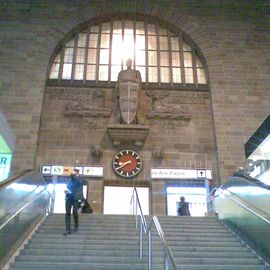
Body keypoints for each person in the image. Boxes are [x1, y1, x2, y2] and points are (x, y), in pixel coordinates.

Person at [116, 58, 142, 124]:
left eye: (130, 62)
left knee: (135, 105)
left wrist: (132, 80)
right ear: (126, 63)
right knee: (121, 106)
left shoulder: (136, 72)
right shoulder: (121, 73)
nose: (129, 63)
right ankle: (120, 118)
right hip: (123, 94)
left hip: (133, 95)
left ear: (132, 63)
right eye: (127, 62)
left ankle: (136, 118)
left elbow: (139, 82)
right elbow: (118, 83)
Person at [63, 169, 84, 236]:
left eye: (74, 173)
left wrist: (75, 175)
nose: (72, 174)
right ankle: (68, 229)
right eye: (72, 173)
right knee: (67, 213)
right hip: (69, 198)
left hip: (76, 198)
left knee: (75, 212)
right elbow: (68, 187)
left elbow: (78, 182)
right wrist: (66, 191)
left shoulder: (80, 179)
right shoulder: (70, 180)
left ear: (77, 173)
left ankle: (76, 226)